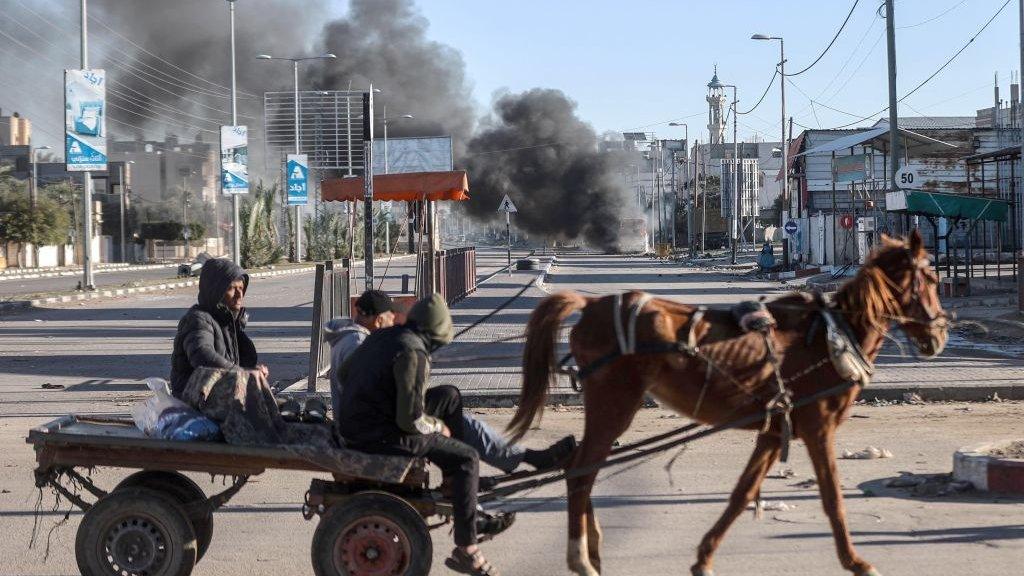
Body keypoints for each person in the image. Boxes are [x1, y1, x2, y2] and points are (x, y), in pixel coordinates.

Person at [335, 294, 498, 575]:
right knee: (468, 457)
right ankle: (467, 550)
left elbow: (345, 374)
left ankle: (451, 482)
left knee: (449, 396)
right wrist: (438, 427)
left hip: (358, 424)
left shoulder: (383, 336)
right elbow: (409, 420)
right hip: (377, 435)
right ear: (437, 334)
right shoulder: (413, 351)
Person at [326, 290, 574, 474]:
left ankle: (516, 457)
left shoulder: (357, 339)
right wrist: (430, 422)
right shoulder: (358, 344)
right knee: (462, 424)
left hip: (373, 418)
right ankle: (485, 464)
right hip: (375, 427)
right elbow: (363, 389)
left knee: (450, 398)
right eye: (391, 316)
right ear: (379, 319)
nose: (395, 322)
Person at [169, 258, 267, 399]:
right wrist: (241, 373)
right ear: (216, 291)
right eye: (232, 289)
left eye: (241, 288)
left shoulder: (229, 322)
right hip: (195, 398)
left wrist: (252, 372)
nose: (239, 295)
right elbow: (203, 355)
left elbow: (238, 363)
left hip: (220, 394)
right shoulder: (197, 319)